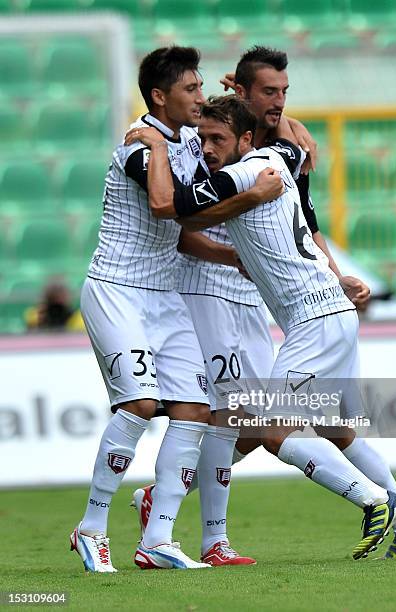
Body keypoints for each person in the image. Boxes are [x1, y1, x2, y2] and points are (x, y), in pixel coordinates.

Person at [130, 95, 396, 560]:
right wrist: (287, 123)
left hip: (312, 320)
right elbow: (294, 146)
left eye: (218, 139)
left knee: (274, 430)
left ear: (246, 139)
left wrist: (156, 144)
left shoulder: (243, 173)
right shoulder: (279, 156)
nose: (208, 148)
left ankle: (375, 501)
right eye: (204, 138)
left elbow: (180, 212)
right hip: (330, 313)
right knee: (321, 427)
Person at [69, 47, 283, 573]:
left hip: (165, 296)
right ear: (160, 97)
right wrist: (252, 198)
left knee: (196, 409)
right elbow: (170, 207)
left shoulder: (191, 139)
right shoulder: (139, 149)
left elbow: (188, 228)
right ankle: (92, 528)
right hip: (117, 289)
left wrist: (234, 256)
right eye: (190, 88)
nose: (198, 95)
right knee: (140, 406)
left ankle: (158, 538)